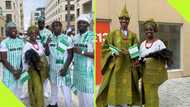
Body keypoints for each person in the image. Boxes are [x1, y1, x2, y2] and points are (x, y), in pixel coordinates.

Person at [96, 5, 141, 107]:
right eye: (122, 19)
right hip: (115, 68)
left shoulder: (133, 35)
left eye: (126, 19)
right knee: (113, 90)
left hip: (128, 68)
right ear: (119, 20)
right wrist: (114, 51)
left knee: (126, 92)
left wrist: (130, 52)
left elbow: (137, 49)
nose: (124, 21)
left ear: (129, 21)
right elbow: (105, 48)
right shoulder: (113, 34)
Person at [139, 19, 172, 107]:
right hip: (145, 75)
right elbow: (140, 58)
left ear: (154, 31)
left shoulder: (159, 43)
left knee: (153, 94)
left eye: (151, 29)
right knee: (146, 94)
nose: (148, 31)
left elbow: (165, 57)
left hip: (155, 75)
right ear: (144, 31)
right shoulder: (142, 44)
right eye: (146, 30)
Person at [46, 21, 73, 107]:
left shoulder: (66, 38)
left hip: (63, 69)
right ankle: (53, 104)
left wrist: (65, 68)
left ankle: (68, 105)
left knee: (65, 90)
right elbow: (47, 53)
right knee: (53, 88)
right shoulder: (50, 38)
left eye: (58, 26)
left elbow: (70, 55)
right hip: (53, 69)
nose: (56, 27)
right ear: (52, 28)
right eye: (54, 26)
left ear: (61, 27)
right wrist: (46, 44)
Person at [22, 26, 48, 107]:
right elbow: (24, 59)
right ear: (29, 34)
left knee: (39, 88)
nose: (33, 35)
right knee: (37, 89)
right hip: (33, 71)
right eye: (31, 33)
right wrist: (33, 64)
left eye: (35, 33)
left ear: (37, 34)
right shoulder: (27, 45)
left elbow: (43, 53)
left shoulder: (39, 43)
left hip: (41, 70)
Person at [72, 14, 94, 107]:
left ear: (88, 25)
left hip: (87, 75)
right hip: (77, 73)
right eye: (79, 22)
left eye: (83, 23)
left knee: (88, 101)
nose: (81, 24)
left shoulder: (92, 36)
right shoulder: (75, 37)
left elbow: (95, 54)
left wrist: (81, 51)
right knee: (80, 101)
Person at [0, 22, 25, 99]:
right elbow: (4, 60)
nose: (13, 30)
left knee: (18, 92)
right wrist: (14, 72)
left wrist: (20, 70)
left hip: (20, 72)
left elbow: (23, 57)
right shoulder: (4, 43)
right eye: (11, 28)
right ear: (7, 31)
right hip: (9, 73)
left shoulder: (21, 42)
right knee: (9, 95)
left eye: (14, 28)